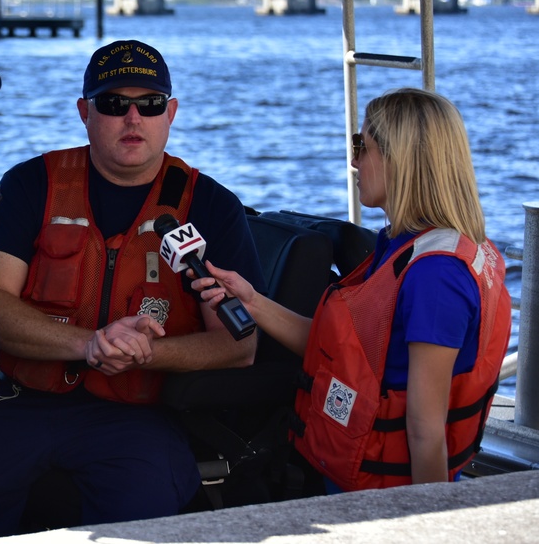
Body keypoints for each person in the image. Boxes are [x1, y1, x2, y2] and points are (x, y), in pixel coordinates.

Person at [0, 39, 266, 541]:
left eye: (149, 104)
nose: (133, 118)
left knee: (138, 518)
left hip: (139, 416)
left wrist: (140, 354)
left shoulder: (211, 205)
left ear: (170, 113)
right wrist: (90, 344)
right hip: (17, 406)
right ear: (85, 112)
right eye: (113, 104)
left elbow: (239, 344)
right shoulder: (32, 186)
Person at [196, 87, 512, 492]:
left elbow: (424, 430)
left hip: (387, 495)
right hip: (352, 478)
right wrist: (252, 302)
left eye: (362, 146)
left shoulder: (437, 277)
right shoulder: (405, 246)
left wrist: (432, 524)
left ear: (400, 160)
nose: (353, 160)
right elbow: (342, 351)